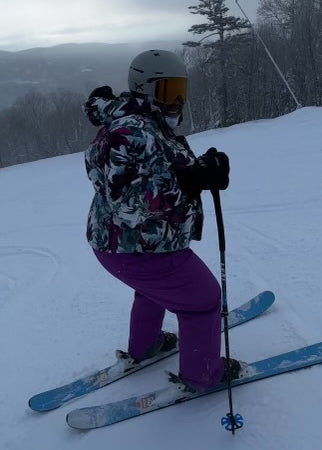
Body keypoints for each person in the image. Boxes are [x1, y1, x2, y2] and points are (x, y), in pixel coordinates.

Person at [83, 49, 241, 393]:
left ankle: (146, 345)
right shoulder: (131, 131)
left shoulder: (144, 122)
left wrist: (198, 169)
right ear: (145, 89)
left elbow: (153, 168)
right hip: (138, 246)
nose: (177, 100)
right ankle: (203, 375)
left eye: (181, 90)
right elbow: (127, 198)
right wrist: (192, 180)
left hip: (128, 246)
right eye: (169, 91)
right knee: (204, 299)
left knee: (152, 291)